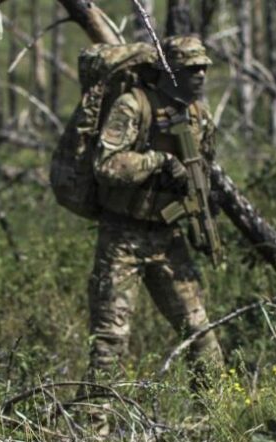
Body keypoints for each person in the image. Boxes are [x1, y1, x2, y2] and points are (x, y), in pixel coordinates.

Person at [87, 36, 224, 379]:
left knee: (201, 335)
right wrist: (160, 161)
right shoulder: (133, 106)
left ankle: (217, 418)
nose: (201, 75)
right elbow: (106, 164)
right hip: (123, 237)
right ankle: (94, 428)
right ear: (170, 71)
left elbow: (203, 170)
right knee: (110, 343)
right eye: (192, 68)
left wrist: (201, 209)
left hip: (168, 237)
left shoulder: (199, 116)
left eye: (204, 67)